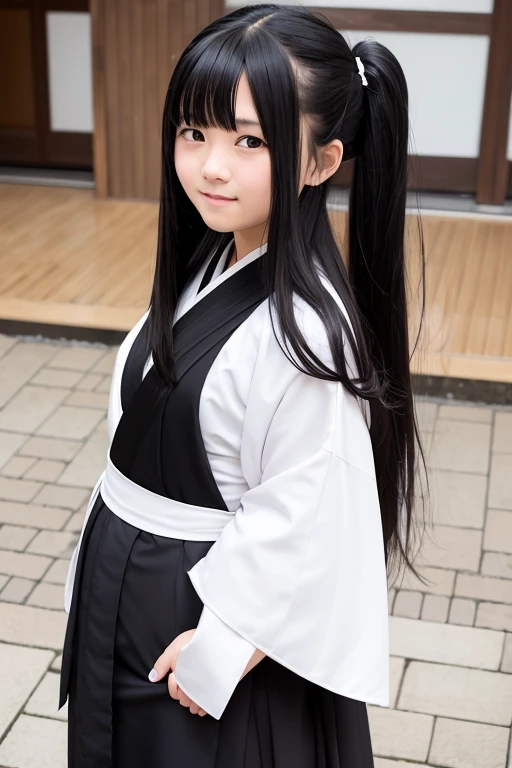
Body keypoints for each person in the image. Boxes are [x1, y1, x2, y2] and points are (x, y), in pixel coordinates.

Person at [58, 4, 428, 766]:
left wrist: (225, 646)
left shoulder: (308, 331)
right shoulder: (213, 260)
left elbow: (307, 512)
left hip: (194, 628)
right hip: (137, 599)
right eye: (195, 133)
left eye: (249, 140)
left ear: (321, 162)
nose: (211, 165)